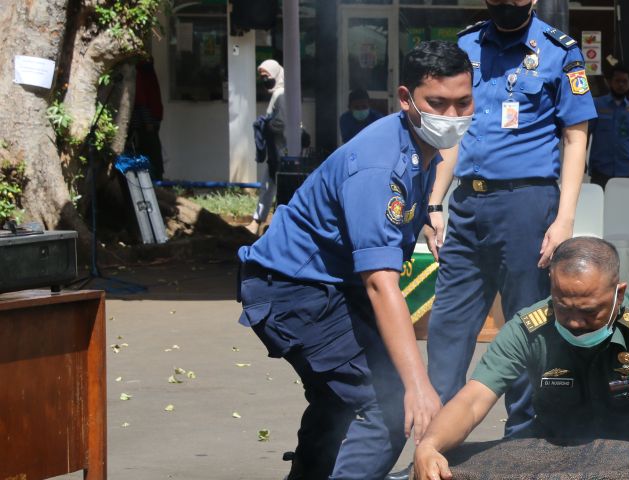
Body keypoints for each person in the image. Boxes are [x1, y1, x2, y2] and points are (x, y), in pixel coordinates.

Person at [235, 40, 475, 479]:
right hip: (293, 289)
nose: (452, 117)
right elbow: (380, 282)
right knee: (387, 399)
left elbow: (435, 169)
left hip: (328, 284)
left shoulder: (420, 143)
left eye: (464, 103)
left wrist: (430, 212)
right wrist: (418, 385)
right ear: (406, 99)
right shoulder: (378, 168)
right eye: (437, 103)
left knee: (338, 398)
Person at [412, 237, 629, 480]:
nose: (576, 322)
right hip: (557, 447)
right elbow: (473, 400)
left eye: (590, 311)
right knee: (445, 464)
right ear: (552, 288)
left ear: (618, 294)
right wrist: (429, 446)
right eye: (564, 307)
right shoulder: (528, 328)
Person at [425, 0, 597, 439]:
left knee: (526, 325)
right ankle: (438, 439)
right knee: (447, 327)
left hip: (527, 204)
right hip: (466, 206)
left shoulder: (559, 50)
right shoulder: (466, 45)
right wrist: (434, 203)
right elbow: (452, 132)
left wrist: (564, 220)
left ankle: (522, 440)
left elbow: (576, 136)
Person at [588, 66, 629, 187]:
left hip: (627, 171)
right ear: (610, 82)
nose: (621, 85)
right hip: (601, 170)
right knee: (601, 205)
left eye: (625, 81)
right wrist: (580, 160)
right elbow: (586, 134)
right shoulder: (597, 105)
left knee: (624, 205)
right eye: (617, 81)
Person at [249, 59, 288, 235]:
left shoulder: (282, 94)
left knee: (273, 185)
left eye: (267, 76)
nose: (265, 80)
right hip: (276, 148)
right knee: (268, 185)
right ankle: (258, 221)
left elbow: (283, 122)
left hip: (282, 149)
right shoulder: (278, 93)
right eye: (262, 77)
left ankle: (261, 222)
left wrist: (267, 124)